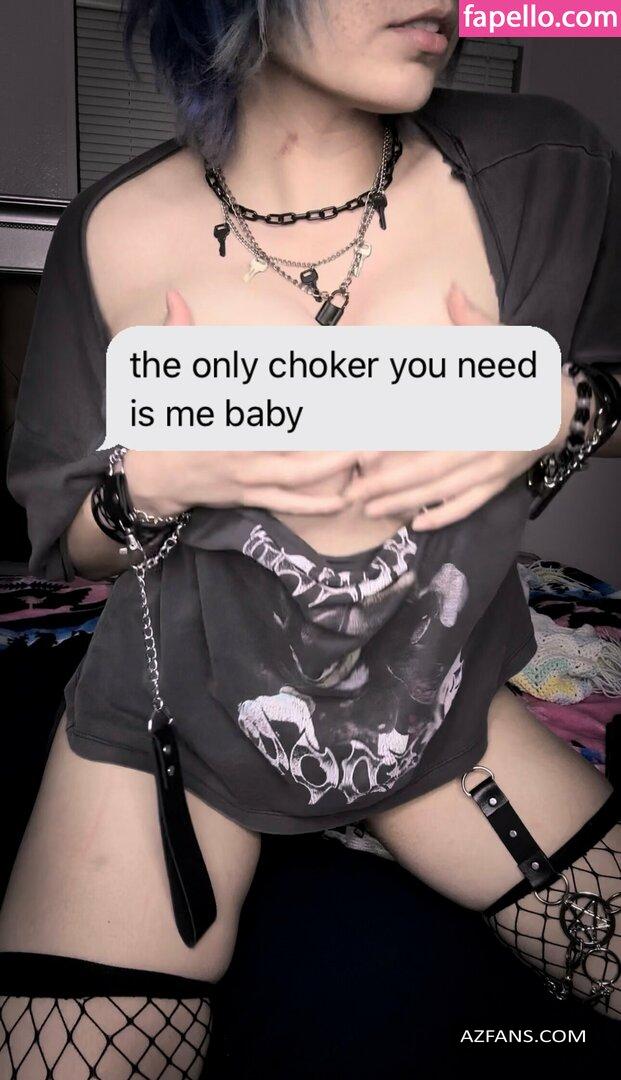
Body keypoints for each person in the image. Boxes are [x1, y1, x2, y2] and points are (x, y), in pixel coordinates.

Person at [1, 1, 620, 1075]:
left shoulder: (547, 165)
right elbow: (66, 543)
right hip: (173, 719)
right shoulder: (108, 231)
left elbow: (607, 378)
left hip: (436, 703)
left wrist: (557, 414)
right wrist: (153, 489)